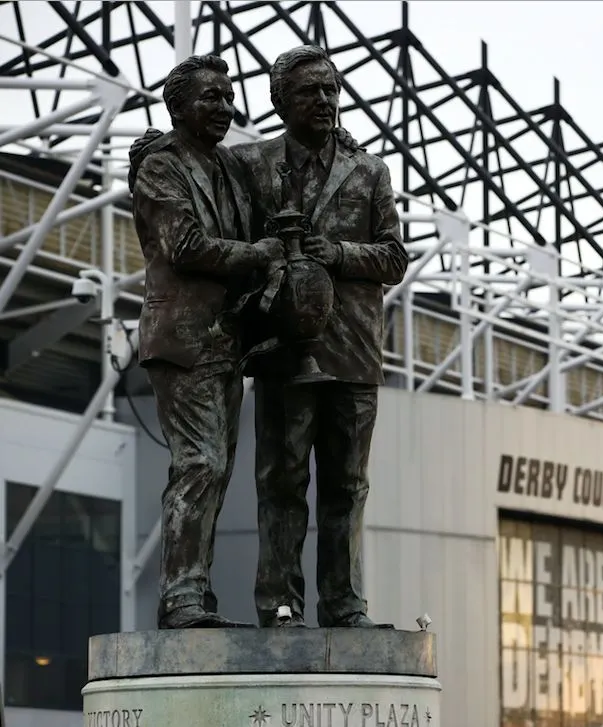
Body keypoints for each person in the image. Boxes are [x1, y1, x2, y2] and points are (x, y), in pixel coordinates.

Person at [233, 45, 408, 629]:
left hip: (354, 351)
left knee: (348, 486)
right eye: (310, 91)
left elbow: (394, 256)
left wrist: (337, 253)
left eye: (332, 90)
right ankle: (279, 605)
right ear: (279, 99)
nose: (325, 101)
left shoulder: (369, 171)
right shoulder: (251, 165)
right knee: (281, 481)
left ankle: (345, 605)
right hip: (284, 350)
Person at [129, 54, 283, 629]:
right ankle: (182, 599)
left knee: (213, 472)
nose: (225, 107)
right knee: (201, 462)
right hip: (184, 339)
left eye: (228, 96)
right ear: (177, 107)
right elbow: (185, 246)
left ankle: (193, 593)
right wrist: (257, 255)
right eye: (210, 97)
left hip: (227, 341)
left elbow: (274, 163)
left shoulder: (229, 168)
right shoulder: (161, 167)